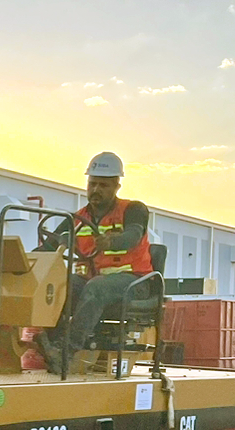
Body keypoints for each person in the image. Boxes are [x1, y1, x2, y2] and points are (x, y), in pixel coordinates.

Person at [35, 151, 153, 372]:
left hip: (135, 283)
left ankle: (66, 352)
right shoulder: (78, 219)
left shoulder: (133, 210)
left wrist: (112, 241)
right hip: (96, 281)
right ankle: (53, 344)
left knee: (95, 288)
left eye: (104, 185)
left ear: (117, 186)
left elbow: (133, 236)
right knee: (61, 285)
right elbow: (49, 247)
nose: (96, 190)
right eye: (92, 184)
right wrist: (21, 259)